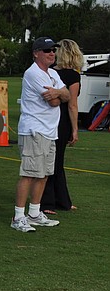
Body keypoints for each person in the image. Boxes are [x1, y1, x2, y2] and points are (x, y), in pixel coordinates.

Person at [11, 37, 70, 232]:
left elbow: (68, 95)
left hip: (49, 131)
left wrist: (59, 93)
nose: (52, 53)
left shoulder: (52, 72)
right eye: (47, 50)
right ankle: (18, 216)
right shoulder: (33, 73)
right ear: (36, 53)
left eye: (53, 50)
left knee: (43, 174)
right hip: (34, 129)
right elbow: (54, 102)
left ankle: (34, 213)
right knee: (29, 174)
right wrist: (59, 94)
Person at [41, 38, 83, 213]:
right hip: (62, 121)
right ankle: (49, 202)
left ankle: (60, 200)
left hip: (49, 118)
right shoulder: (73, 76)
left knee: (53, 160)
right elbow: (72, 105)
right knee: (55, 162)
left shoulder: (50, 72)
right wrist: (75, 129)